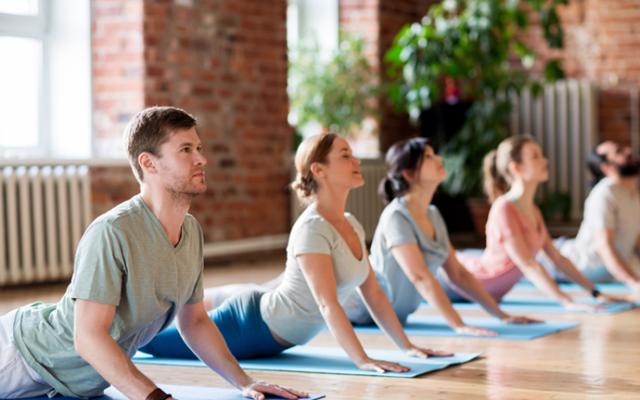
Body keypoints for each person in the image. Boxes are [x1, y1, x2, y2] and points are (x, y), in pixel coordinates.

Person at [0, 107, 305, 400]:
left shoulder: (191, 231)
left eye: (199, 147)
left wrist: (245, 382)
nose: (202, 159)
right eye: (186, 150)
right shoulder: (112, 231)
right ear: (149, 163)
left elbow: (195, 321)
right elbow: (88, 337)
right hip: (21, 356)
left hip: (74, 385)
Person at [141, 133, 452, 373]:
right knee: (146, 342)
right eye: (345, 155)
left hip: (276, 332)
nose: (356, 161)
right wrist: (363, 360)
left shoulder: (352, 224)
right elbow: (327, 304)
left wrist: (407, 346)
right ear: (319, 170)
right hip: (252, 326)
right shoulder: (312, 228)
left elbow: (373, 293)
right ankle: (113, 322)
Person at [341, 137, 538, 336]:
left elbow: (459, 274)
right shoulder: (396, 216)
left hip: (394, 317)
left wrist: (501, 315)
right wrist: (459, 325)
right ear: (409, 174)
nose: (439, 159)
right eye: (428, 157)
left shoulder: (433, 214)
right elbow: (419, 276)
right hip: (361, 309)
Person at [439, 136, 624, 309]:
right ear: (516, 168)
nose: (545, 161)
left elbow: (557, 259)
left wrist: (595, 292)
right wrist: (567, 302)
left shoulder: (533, 210)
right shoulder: (504, 208)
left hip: (492, 293)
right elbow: (528, 264)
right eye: (535, 157)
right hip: (462, 283)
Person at [546, 141, 640, 292]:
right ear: (607, 167)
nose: (628, 151)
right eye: (619, 151)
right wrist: (633, 282)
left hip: (608, 270)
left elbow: (635, 240)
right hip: (574, 263)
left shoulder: (633, 194)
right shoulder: (604, 194)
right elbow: (605, 246)